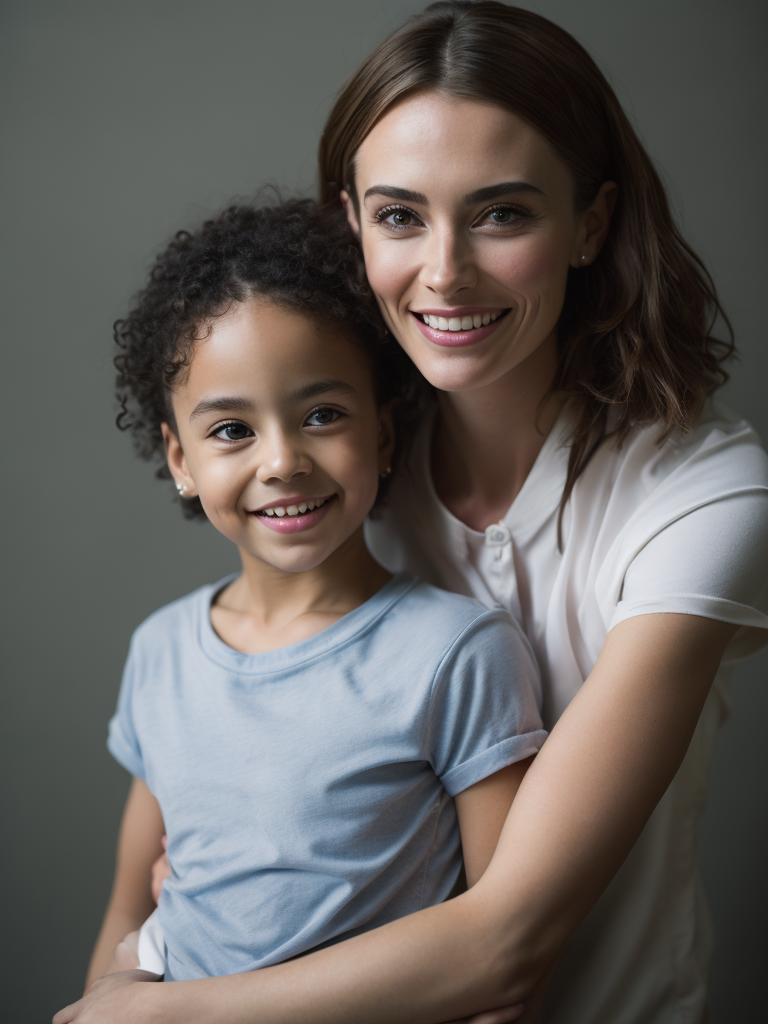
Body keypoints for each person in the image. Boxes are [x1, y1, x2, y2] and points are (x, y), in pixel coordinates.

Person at [54, 3, 768, 1023]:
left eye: (501, 214)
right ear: (351, 221)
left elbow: (507, 939)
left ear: (591, 225)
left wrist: (178, 1011)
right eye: (400, 216)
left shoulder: (704, 495)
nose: (443, 271)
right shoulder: (331, 472)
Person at [55, 197, 545, 1007]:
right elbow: (131, 909)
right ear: (179, 457)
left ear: (384, 435)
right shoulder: (162, 652)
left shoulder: (459, 654)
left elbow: (499, 957)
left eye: (323, 415)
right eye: (231, 431)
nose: (282, 462)